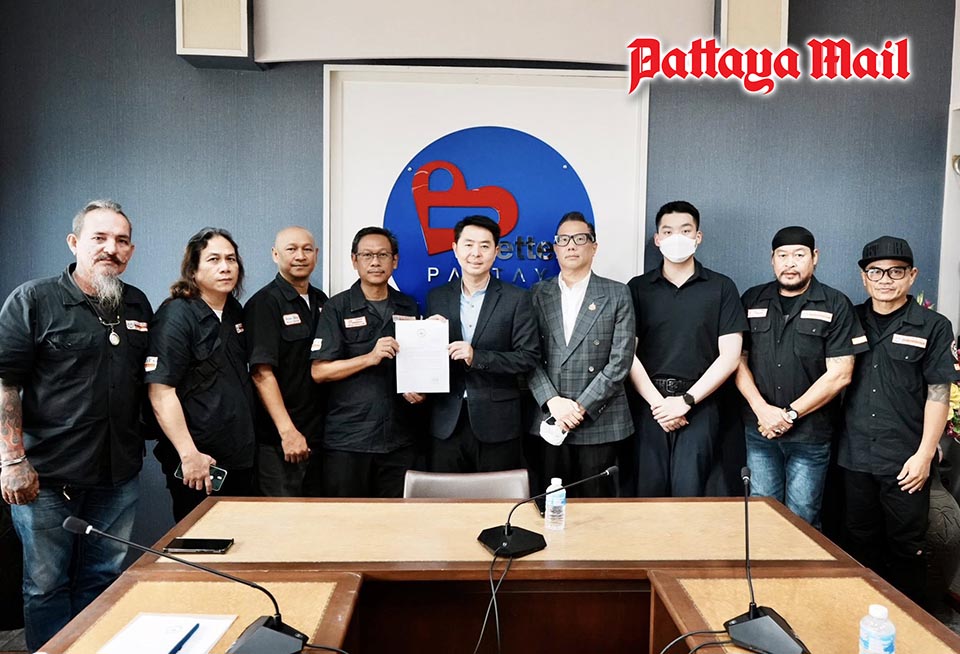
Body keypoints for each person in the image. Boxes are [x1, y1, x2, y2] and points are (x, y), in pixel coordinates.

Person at [0, 200, 151, 650]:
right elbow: (6, 384)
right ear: (74, 242)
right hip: (46, 478)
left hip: (117, 475)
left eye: (121, 241)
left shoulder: (137, 303)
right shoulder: (34, 299)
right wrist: (12, 460)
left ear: (131, 250)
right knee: (46, 585)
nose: (111, 248)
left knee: (104, 577)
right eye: (99, 238)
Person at [840, 236, 958, 603]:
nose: (885, 280)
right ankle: (858, 617)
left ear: (912, 276)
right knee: (857, 545)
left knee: (907, 548)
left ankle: (907, 623)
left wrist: (924, 455)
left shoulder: (933, 326)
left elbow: (939, 394)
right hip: (853, 457)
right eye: (876, 272)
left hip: (905, 461)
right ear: (864, 277)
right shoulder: (849, 320)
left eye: (896, 271)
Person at [736, 226, 867, 527]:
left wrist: (789, 415)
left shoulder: (835, 304)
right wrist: (762, 410)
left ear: (814, 257)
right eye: (782, 255)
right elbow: (737, 361)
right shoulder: (752, 299)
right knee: (761, 512)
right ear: (772, 259)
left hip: (810, 434)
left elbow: (840, 374)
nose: (790, 263)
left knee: (803, 517)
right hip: (760, 430)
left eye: (799, 255)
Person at [628, 201, 747, 497]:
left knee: (691, 494)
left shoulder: (721, 287)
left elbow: (730, 355)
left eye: (685, 230)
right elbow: (627, 354)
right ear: (657, 239)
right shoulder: (637, 288)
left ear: (698, 236)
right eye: (668, 231)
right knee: (647, 494)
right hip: (650, 405)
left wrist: (686, 401)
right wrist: (660, 405)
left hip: (701, 404)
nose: (676, 238)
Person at [146, 228, 256, 521]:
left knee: (241, 539)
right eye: (213, 259)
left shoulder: (234, 312)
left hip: (239, 457)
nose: (225, 267)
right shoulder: (177, 314)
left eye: (231, 259)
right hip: (198, 460)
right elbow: (160, 392)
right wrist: (189, 454)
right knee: (201, 542)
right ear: (193, 270)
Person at [527, 212, 635, 497]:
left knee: (596, 511)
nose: (571, 245)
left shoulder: (617, 293)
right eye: (563, 240)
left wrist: (579, 407)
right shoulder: (537, 294)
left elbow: (620, 361)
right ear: (555, 248)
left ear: (594, 246)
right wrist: (553, 402)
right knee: (548, 506)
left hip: (600, 420)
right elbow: (527, 356)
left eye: (579, 238)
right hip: (550, 418)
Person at [310, 227, 420, 497]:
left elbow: (418, 362)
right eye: (367, 255)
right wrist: (369, 358)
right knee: (347, 519)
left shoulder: (408, 306)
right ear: (354, 260)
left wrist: (423, 389)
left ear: (395, 260)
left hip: (399, 439)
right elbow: (319, 371)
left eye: (383, 255)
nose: (375, 262)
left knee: (399, 518)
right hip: (349, 440)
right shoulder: (336, 307)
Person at [426, 216, 539, 472]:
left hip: (497, 424)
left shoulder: (516, 299)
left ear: (496, 251)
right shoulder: (437, 297)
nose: (476, 253)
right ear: (455, 249)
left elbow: (528, 357)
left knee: (496, 495)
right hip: (446, 421)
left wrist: (476, 357)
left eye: (485, 246)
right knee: (446, 495)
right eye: (468, 244)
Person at [244, 227, 328, 496]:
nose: (300, 256)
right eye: (291, 249)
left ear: (316, 254)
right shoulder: (264, 303)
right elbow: (261, 373)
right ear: (275, 254)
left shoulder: (322, 301)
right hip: (279, 442)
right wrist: (287, 432)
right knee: (281, 518)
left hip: (318, 437)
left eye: (307, 249)